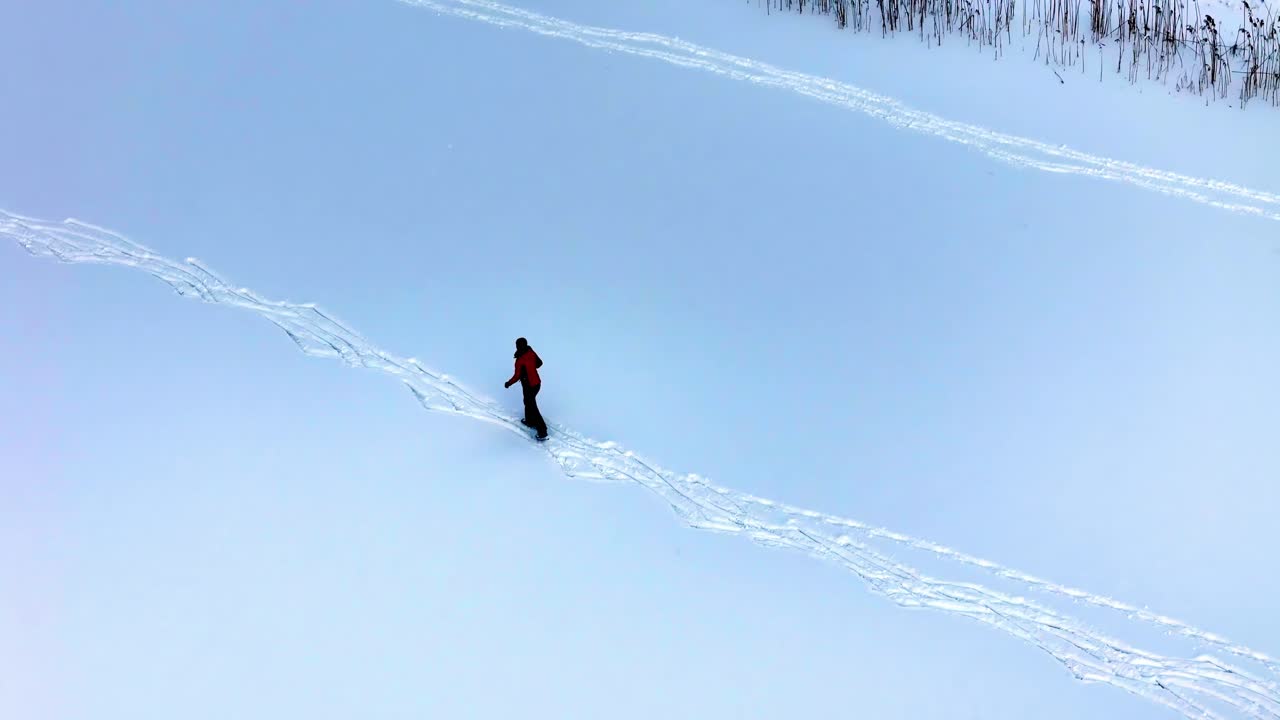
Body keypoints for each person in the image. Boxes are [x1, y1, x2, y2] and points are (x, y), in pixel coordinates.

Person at [504, 337, 548, 440]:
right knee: (528, 402)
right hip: (537, 384)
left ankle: (543, 431)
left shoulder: (520, 360)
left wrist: (508, 383)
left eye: (517, 345)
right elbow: (539, 363)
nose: (516, 346)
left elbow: (516, 376)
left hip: (529, 385)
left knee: (532, 406)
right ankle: (529, 421)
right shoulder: (530, 351)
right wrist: (531, 368)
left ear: (519, 346)